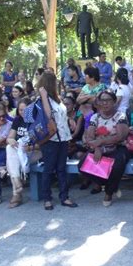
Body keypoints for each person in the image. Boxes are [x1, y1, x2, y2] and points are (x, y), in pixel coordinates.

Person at [80, 90, 130, 207]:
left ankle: (108, 192)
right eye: (102, 100)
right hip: (98, 148)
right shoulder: (95, 117)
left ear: (114, 102)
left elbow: (120, 136)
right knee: (82, 165)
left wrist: (101, 141)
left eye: (108, 100)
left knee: (117, 165)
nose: (105, 103)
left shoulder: (120, 116)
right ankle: (112, 185)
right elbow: (89, 136)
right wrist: (98, 148)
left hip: (118, 148)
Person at [36, 72, 77, 210]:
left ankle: (64, 197)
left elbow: (60, 115)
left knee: (61, 169)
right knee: (49, 169)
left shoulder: (57, 99)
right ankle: (47, 198)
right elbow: (48, 115)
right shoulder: (42, 99)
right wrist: (43, 95)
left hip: (63, 137)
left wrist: (69, 120)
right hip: (51, 138)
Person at [6, 98, 41, 208]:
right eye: (20, 110)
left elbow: (43, 143)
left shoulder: (37, 121)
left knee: (12, 159)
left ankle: (17, 193)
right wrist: (10, 140)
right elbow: (10, 137)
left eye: (25, 110)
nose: (22, 113)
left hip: (35, 152)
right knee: (9, 148)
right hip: (20, 151)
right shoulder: (17, 120)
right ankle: (17, 182)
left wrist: (31, 147)